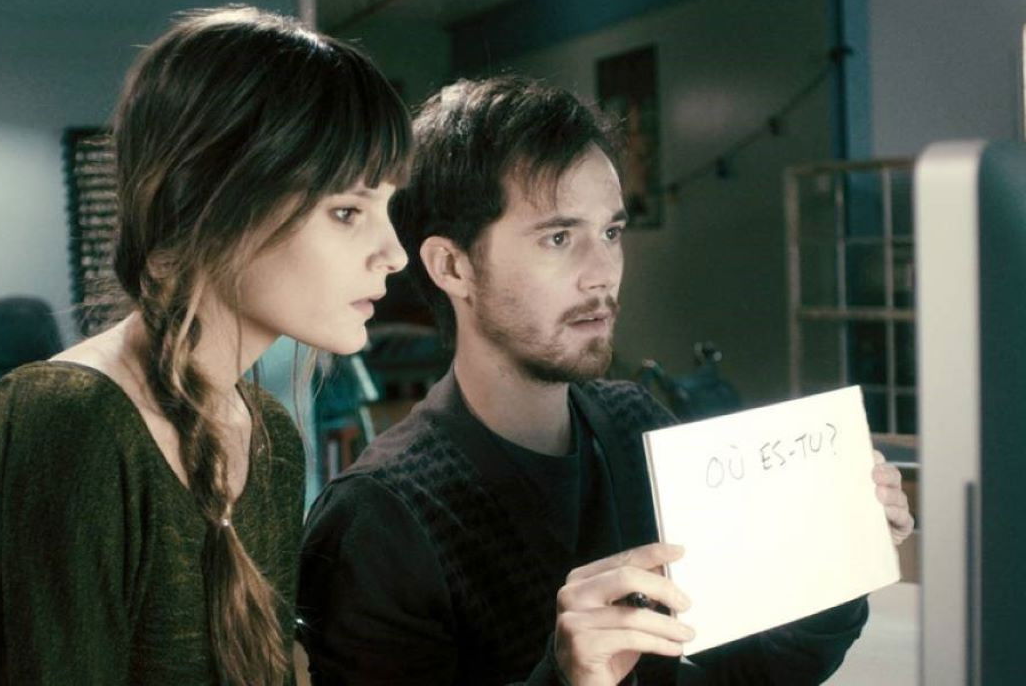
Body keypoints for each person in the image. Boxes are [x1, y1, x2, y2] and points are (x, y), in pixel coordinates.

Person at [296, 76, 914, 686]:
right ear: (452, 267)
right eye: (558, 237)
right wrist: (569, 678)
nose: (602, 274)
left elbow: (755, 671)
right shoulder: (378, 519)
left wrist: (839, 559)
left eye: (611, 233)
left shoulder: (636, 425)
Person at [0, 6, 412, 686]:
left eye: (388, 209)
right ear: (218, 201)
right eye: (347, 212)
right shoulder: (66, 424)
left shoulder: (270, 440)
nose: (394, 254)